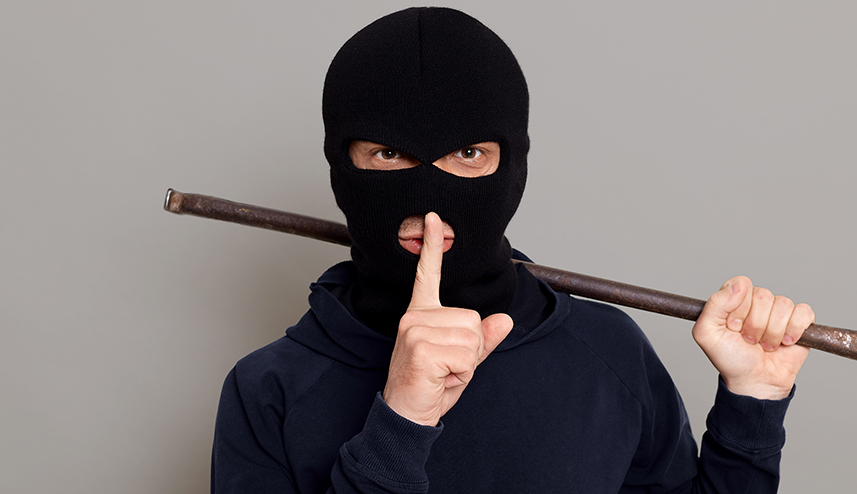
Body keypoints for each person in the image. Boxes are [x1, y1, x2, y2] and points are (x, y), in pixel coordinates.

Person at [211, 7, 814, 493]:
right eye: (389, 154)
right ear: (340, 163)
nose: (430, 202)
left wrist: (752, 405)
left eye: (468, 154)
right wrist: (400, 423)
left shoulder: (609, 353)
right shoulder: (269, 389)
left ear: (514, 165)